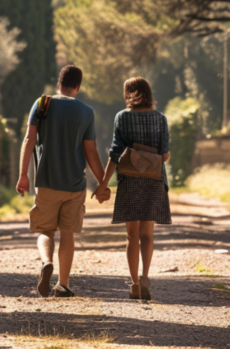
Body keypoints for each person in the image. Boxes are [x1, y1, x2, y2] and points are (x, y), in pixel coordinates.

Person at [16, 65, 110, 298]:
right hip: (74, 184)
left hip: (46, 181)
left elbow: (29, 139)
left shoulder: (42, 103)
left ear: (59, 84)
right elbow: (91, 151)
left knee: (45, 231)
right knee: (67, 233)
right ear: (78, 87)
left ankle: (47, 262)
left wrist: (23, 175)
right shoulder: (87, 112)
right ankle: (63, 284)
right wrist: (102, 183)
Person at [96, 77, 172, 300]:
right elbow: (165, 155)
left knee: (132, 236)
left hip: (129, 180)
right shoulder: (160, 118)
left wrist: (103, 184)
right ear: (148, 93)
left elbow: (115, 155)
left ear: (129, 93)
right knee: (147, 234)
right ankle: (146, 275)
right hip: (153, 180)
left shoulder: (122, 117)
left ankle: (135, 284)